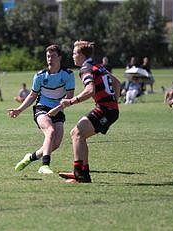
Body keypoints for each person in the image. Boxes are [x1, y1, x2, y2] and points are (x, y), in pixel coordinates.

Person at [48, 40, 121, 183]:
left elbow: (90, 90)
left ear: (81, 55)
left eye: (75, 53)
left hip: (106, 109)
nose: (72, 56)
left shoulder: (86, 69)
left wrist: (71, 101)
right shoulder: (98, 66)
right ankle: (84, 174)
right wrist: (114, 102)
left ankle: (78, 173)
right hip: (108, 108)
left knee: (76, 134)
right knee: (78, 134)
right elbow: (117, 82)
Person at [8, 44, 75, 174]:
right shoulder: (39, 76)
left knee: (55, 144)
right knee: (50, 131)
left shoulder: (67, 75)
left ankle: (30, 157)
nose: (50, 59)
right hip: (42, 108)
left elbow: (70, 98)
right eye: (48, 56)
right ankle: (44, 166)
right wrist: (19, 109)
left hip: (59, 109)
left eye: (53, 56)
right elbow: (32, 95)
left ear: (59, 57)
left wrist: (58, 108)